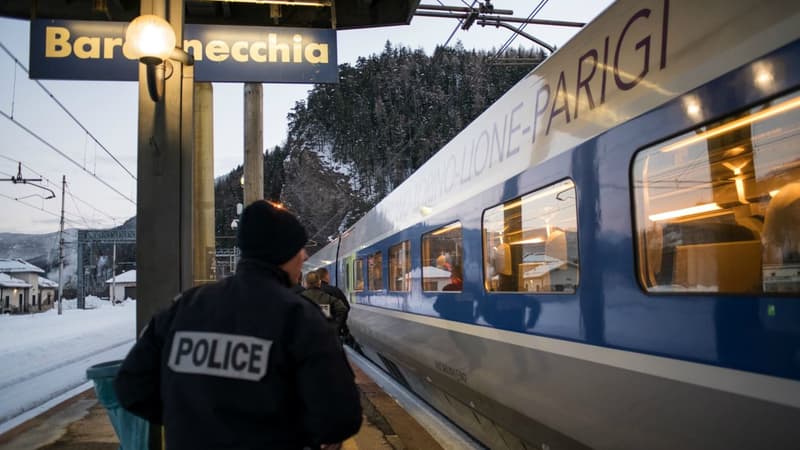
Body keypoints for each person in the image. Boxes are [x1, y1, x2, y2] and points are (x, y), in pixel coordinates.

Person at [114, 200, 362, 450]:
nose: (305, 256)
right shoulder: (302, 319)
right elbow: (340, 418)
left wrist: (189, 420)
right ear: (284, 254)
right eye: (299, 249)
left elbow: (131, 388)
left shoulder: (184, 308)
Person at [302, 271, 348, 336]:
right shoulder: (327, 297)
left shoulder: (300, 297)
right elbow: (343, 309)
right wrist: (335, 326)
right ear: (319, 283)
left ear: (306, 283)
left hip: (306, 335)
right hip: (325, 334)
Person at [317, 267, 353, 342]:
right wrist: (338, 326)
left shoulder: (311, 292)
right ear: (326, 276)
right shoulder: (335, 290)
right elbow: (346, 308)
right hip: (335, 332)